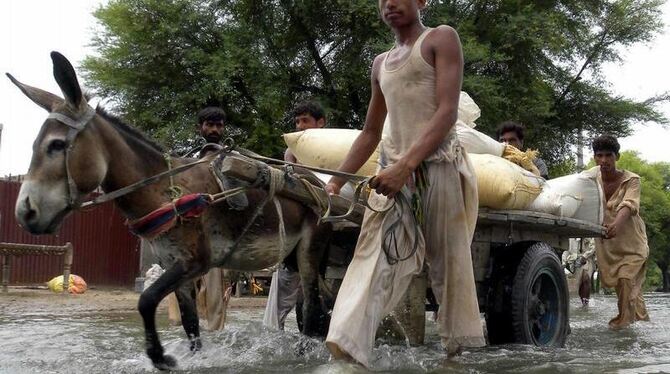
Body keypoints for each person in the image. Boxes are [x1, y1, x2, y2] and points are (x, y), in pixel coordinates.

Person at [323, 0, 485, 366]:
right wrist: (334, 183)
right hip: (391, 176)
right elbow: (369, 133)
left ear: (422, 1)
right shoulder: (380, 63)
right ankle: (348, 349)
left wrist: (407, 166)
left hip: (438, 168)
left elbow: (447, 111)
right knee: (369, 256)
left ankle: (457, 355)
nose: (390, 4)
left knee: (449, 265)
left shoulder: (440, 39)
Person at [167, 106, 234, 331]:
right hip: (188, 236)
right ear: (201, 128)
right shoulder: (190, 162)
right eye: (210, 125)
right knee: (182, 288)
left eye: (219, 125)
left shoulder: (230, 159)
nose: (214, 129)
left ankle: (216, 336)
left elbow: (237, 200)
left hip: (217, 237)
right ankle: (186, 334)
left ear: (223, 128)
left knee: (215, 294)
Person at [263, 100, 327, 331]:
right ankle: (273, 333)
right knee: (284, 282)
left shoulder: (331, 147)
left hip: (325, 217)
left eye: (305, 120)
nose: (300, 126)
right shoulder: (291, 151)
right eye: (297, 121)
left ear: (321, 123)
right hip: (295, 224)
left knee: (308, 290)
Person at [591, 134, 650, 329]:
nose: (604, 160)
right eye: (599, 155)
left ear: (618, 157)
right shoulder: (591, 179)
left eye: (609, 155)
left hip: (633, 244)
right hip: (609, 246)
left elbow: (629, 205)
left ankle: (622, 329)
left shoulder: (632, 180)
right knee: (628, 291)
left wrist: (616, 223)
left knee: (626, 280)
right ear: (594, 158)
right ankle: (642, 326)